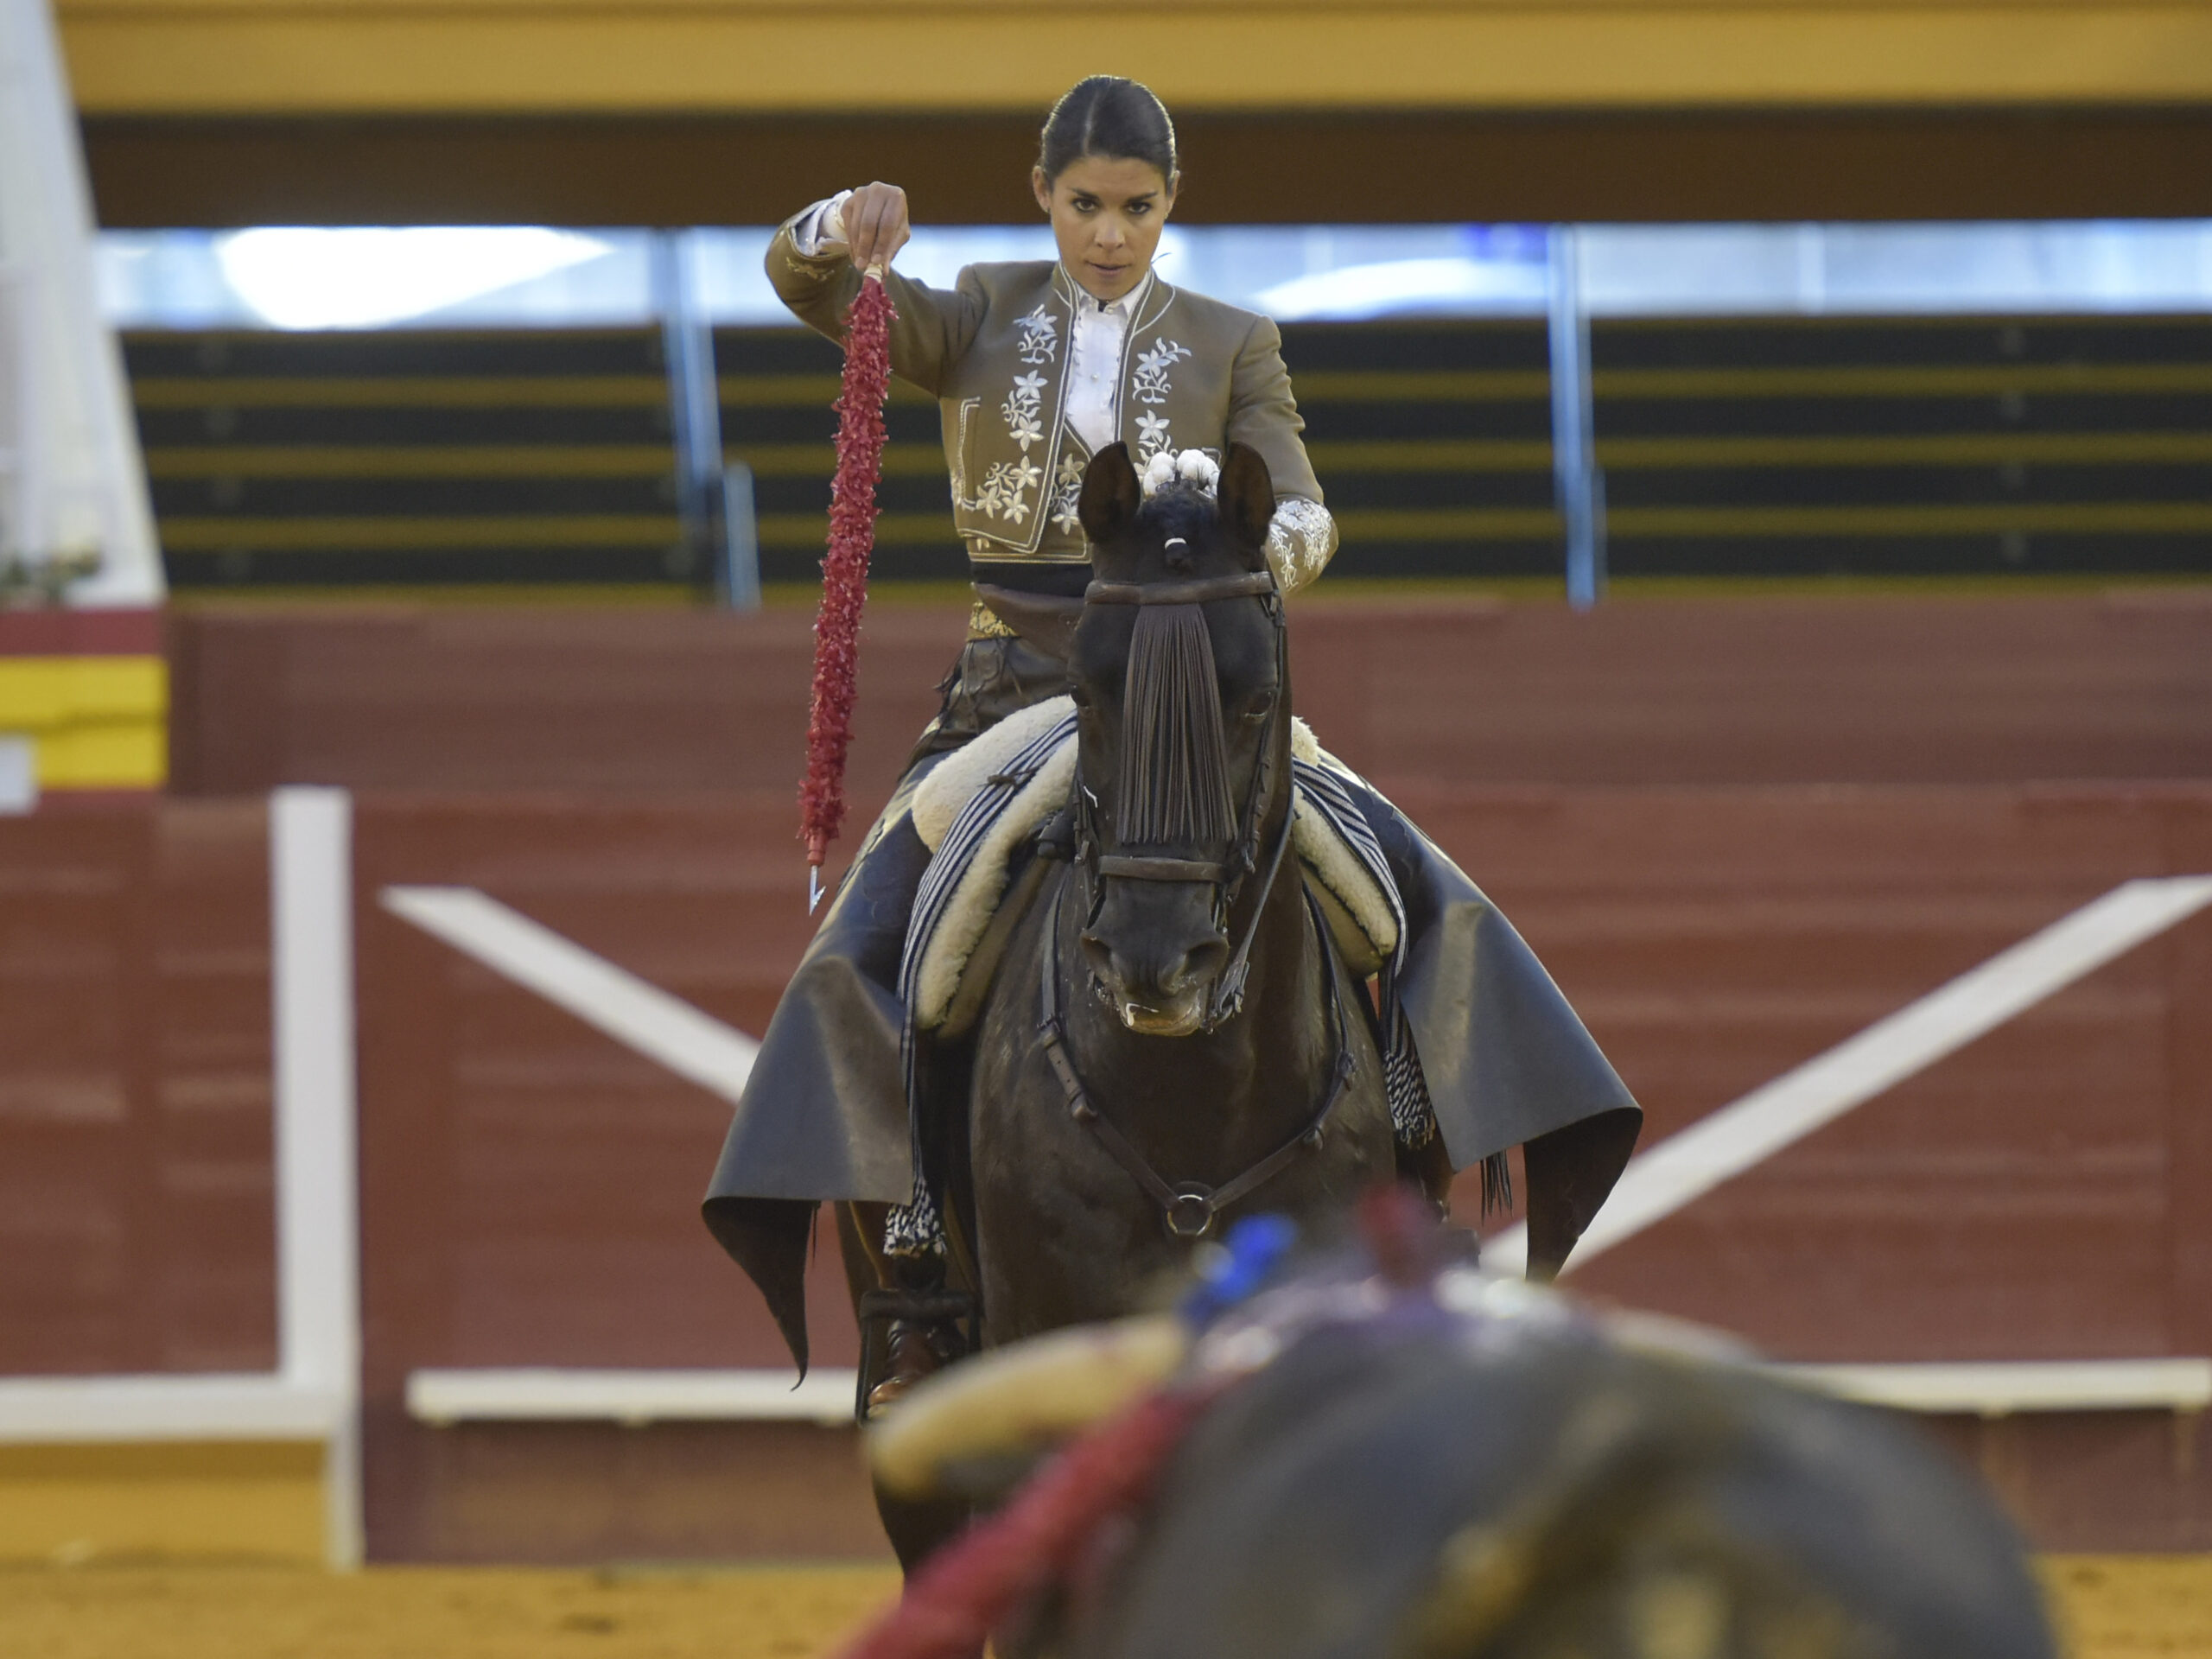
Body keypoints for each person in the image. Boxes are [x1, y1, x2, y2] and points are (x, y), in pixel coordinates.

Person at [704, 77, 1640, 1413]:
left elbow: (1307, 508)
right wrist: (829, 226)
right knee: (880, 936)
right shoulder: (972, 309)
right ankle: (915, 1265)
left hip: (1196, 699)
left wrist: (1251, 539)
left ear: (1168, 207)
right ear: (1046, 198)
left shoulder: (1233, 340)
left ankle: (1419, 1199)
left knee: (1406, 894)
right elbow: (817, 296)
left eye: (1134, 208)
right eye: (1085, 205)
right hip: (1013, 696)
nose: (1107, 233)